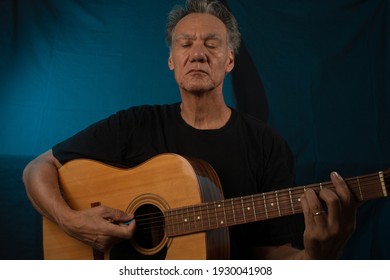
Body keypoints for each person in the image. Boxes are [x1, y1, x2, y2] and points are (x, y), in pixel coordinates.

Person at [23, 0, 357, 259]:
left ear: (229, 60)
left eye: (212, 44)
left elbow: (273, 257)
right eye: (185, 44)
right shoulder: (134, 125)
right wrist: (70, 221)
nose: (197, 53)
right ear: (172, 59)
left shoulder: (268, 145)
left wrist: (318, 254)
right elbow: (37, 169)